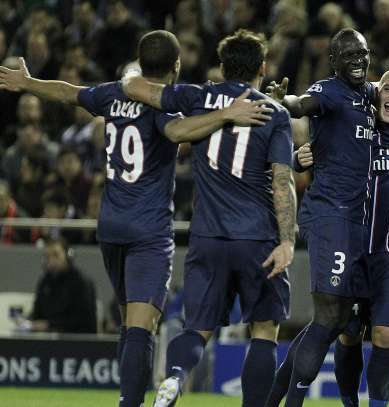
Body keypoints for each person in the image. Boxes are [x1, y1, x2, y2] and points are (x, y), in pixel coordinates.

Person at [0, 29, 271, 407]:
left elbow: (68, 92)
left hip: (110, 224)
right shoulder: (163, 105)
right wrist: (227, 114)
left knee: (129, 324)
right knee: (142, 326)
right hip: (148, 229)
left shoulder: (114, 92)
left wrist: (28, 84)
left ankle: (128, 399)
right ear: (176, 65)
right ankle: (129, 403)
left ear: (142, 62)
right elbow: (177, 131)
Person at [122, 29, 296, 407]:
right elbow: (282, 182)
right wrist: (287, 241)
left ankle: (174, 378)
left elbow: (136, 87)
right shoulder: (275, 114)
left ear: (221, 67)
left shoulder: (198, 96)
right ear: (263, 68)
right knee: (264, 331)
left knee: (197, 329)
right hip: (257, 238)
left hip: (207, 236)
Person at [270, 67, 389, 407]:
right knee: (343, 332)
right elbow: (314, 137)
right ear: (376, 93)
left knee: (385, 334)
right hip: (350, 246)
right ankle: (339, 402)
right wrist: (299, 159)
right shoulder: (354, 127)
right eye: (387, 89)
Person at [260, 28, 377, 407]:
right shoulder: (329, 90)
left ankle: (274, 399)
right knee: (328, 316)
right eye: (348, 54)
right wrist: (283, 103)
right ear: (333, 61)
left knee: (342, 322)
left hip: (360, 220)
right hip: (332, 216)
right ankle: (292, 402)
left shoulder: (371, 95)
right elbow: (302, 103)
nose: (358, 60)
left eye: (362, 53)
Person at [29, 237, 97, 333]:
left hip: (76, 341)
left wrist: (50, 325)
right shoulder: (44, 282)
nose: (51, 260)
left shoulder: (81, 282)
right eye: (47, 256)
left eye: (56, 255)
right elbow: (37, 313)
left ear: (68, 256)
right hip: (48, 341)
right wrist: (29, 322)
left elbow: (82, 320)